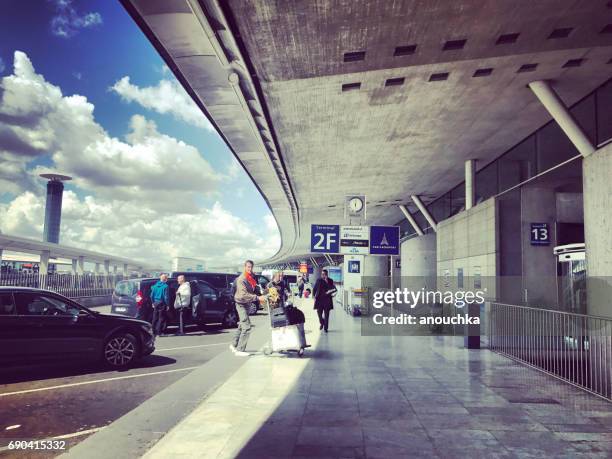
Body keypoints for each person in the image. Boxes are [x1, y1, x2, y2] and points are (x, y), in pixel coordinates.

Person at [232, 260, 266, 356]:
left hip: (246, 304)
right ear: (244, 267)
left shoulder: (250, 277)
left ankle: (234, 344)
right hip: (241, 303)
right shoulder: (241, 279)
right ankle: (240, 350)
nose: (250, 269)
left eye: (251, 267)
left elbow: (254, 287)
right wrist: (257, 297)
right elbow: (243, 294)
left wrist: (262, 292)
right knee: (246, 327)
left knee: (242, 325)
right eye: (248, 267)